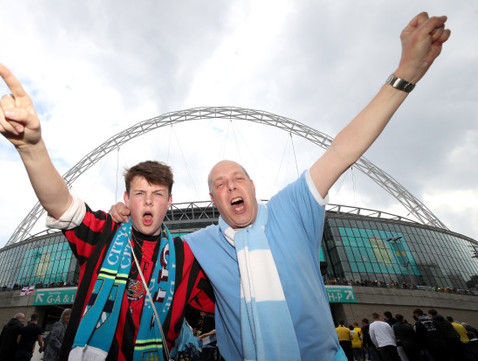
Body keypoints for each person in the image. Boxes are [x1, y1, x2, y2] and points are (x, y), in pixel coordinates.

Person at [110, 12, 451, 361]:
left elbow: (342, 151)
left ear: (253, 186)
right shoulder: (199, 244)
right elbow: (148, 249)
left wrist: (406, 73)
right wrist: (123, 215)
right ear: (214, 200)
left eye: (237, 178)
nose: (230, 187)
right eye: (220, 184)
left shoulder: (292, 209)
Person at [0, 65, 215, 361]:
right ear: (126, 199)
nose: (148, 202)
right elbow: (60, 204)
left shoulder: (187, 258)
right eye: (140, 194)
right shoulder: (104, 234)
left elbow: (227, 304)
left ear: (169, 201)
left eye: (157, 195)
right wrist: (31, 148)